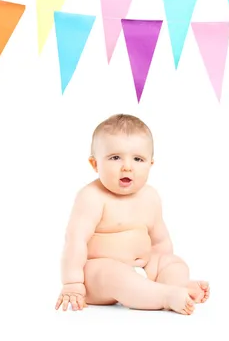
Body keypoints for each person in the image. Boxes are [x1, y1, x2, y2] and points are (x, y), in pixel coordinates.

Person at [54, 114, 209, 315]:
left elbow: (160, 240)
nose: (127, 166)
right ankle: (164, 296)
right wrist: (73, 283)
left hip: (142, 267)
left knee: (174, 263)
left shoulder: (150, 196)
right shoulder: (91, 197)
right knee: (114, 275)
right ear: (95, 164)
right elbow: (75, 241)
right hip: (98, 277)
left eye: (138, 159)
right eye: (115, 157)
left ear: (150, 164)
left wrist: (163, 266)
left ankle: (174, 286)